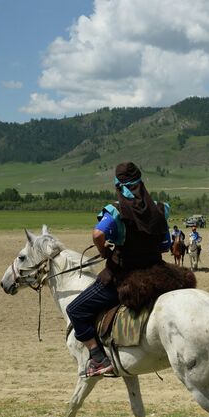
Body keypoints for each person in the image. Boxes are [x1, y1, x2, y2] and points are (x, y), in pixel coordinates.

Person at [66, 162, 168, 378]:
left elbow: (97, 235)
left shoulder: (115, 210)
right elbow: (166, 245)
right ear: (141, 183)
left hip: (124, 278)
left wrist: (104, 251)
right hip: (158, 274)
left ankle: (97, 357)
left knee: (75, 310)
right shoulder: (161, 209)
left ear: (119, 186)